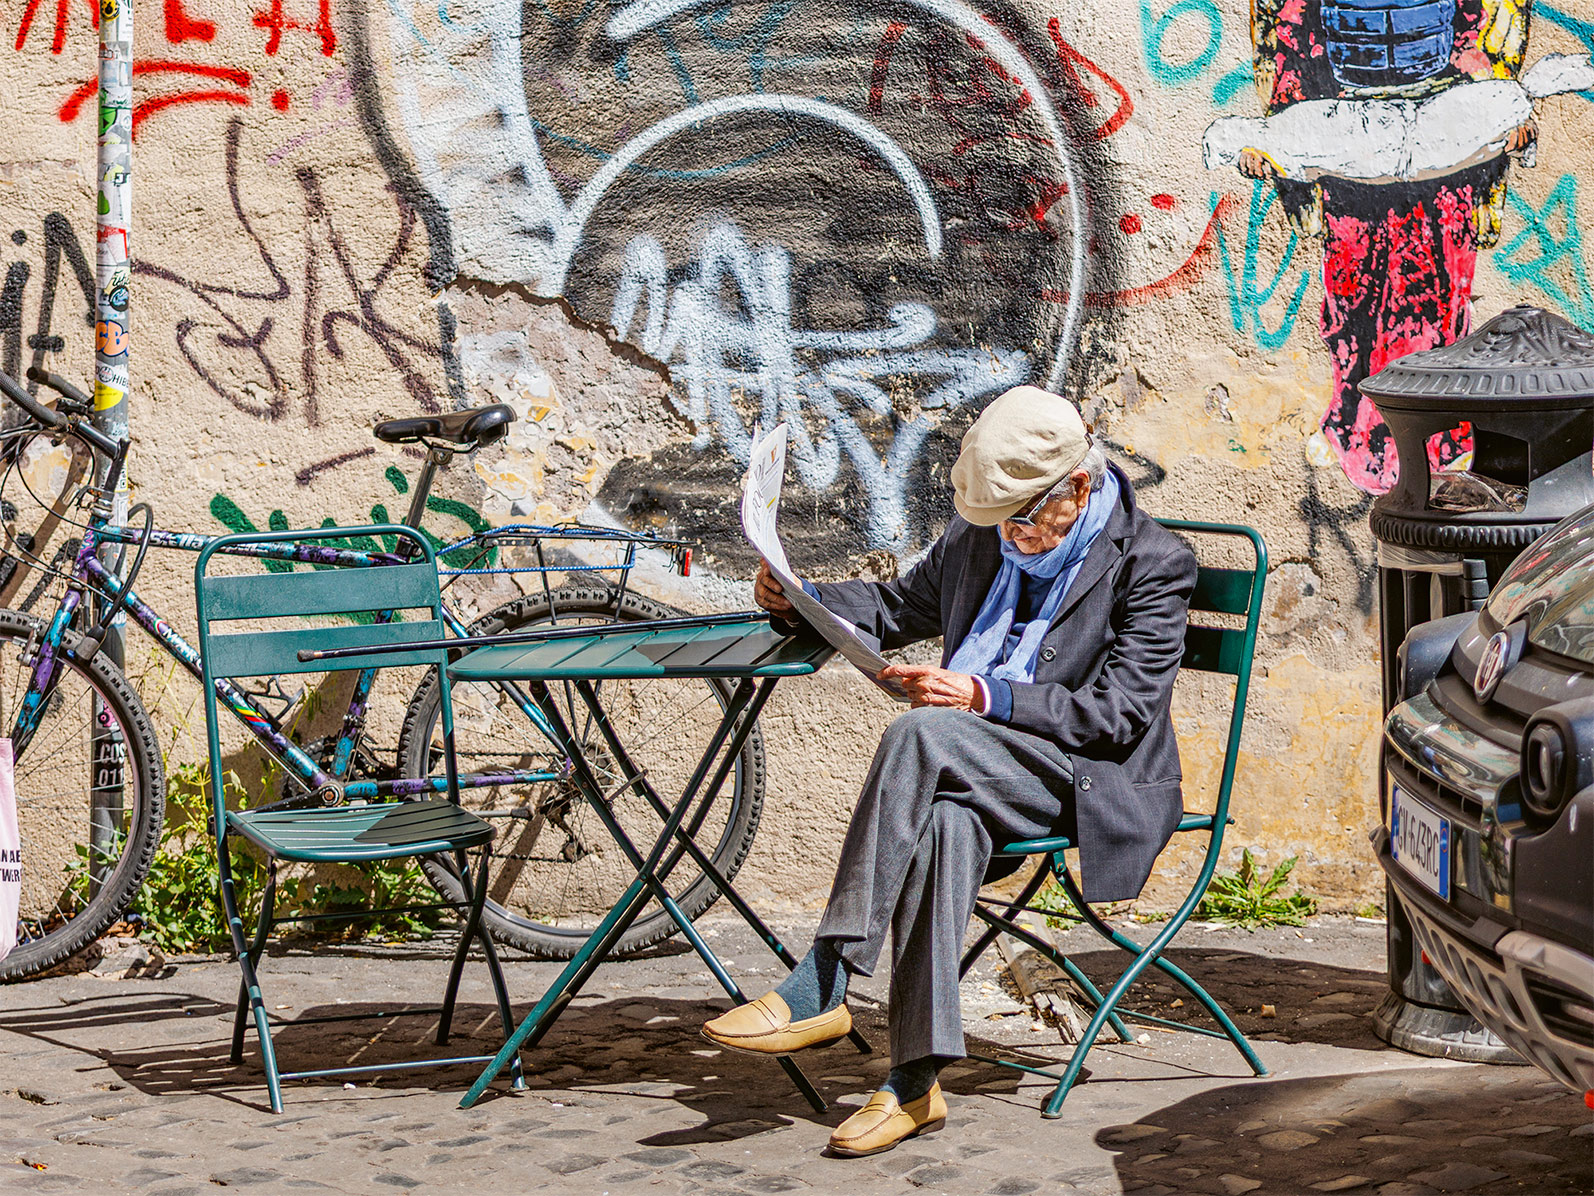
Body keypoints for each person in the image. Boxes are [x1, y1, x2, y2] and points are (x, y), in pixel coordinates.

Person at [701, 385, 1197, 1156]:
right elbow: (898, 606)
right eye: (1002, 523)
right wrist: (800, 598)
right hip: (981, 774)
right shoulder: (984, 539)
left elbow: (1119, 715)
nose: (1015, 538)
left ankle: (827, 977)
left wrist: (985, 692)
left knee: (923, 733)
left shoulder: (1155, 562)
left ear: (1079, 485)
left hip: (1086, 777)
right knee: (944, 822)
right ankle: (912, 1082)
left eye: (1028, 519)